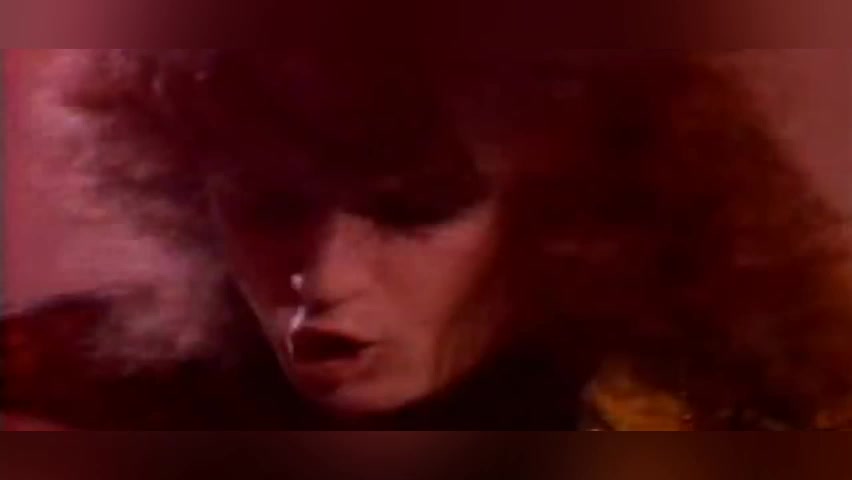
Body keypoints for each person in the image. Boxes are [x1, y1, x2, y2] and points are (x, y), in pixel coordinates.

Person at [4, 46, 852, 430]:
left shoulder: (752, 412)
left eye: (412, 210)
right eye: (269, 208)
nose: (322, 277)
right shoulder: (76, 399)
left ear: (573, 206)